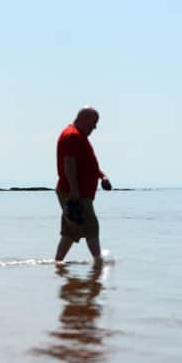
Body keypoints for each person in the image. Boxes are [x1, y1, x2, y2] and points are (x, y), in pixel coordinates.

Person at [55, 106, 112, 263]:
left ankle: (58, 263)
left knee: (71, 230)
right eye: (94, 123)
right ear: (84, 119)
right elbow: (69, 163)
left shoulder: (79, 136)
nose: (94, 127)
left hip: (78, 191)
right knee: (91, 225)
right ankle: (98, 261)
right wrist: (74, 188)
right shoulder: (72, 135)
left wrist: (102, 176)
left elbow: (87, 164)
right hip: (75, 192)